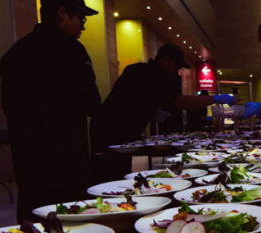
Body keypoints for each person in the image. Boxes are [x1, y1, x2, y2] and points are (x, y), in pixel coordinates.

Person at [0, 0, 101, 222]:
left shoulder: (13, 55)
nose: (82, 27)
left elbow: (9, 109)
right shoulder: (73, 52)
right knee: (75, 231)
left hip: (29, 165)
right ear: (62, 13)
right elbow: (92, 104)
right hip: (68, 164)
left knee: (34, 231)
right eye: (80, 19)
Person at [90, 43, 233, 152]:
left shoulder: (138, 70)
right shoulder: (153, 76)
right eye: (176, 67)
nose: (177, 71)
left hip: (112, 130)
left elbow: (144, 100)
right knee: (110, 174)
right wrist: (215, 99)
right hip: (111, 132)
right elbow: (179, 101)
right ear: (165, 61)